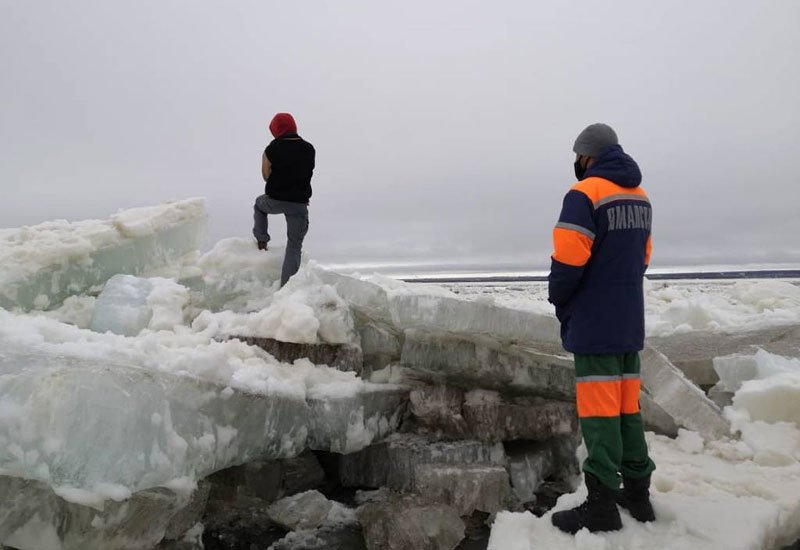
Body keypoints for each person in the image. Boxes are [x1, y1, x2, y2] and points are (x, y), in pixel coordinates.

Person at [548, 123, 657, 534]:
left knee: (599, 414)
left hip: (595, 323)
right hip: (629, 320)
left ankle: (601, 505)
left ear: (587, 156)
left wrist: (560, 297)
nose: (576, 164)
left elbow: (569, 260)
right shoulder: (640, 197)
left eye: (577, 156)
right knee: (628, 410)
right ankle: (639, 495)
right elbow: (642, 258)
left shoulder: (584, 194)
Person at [253, 113, 315, 287]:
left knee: (259, 205)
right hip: (299, 205)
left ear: (275, 129)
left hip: (275, 200)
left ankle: (262, 239)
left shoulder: (271, 149)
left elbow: (266, 176)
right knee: (294, 246)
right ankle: (286, 290)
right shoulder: (309, 149)